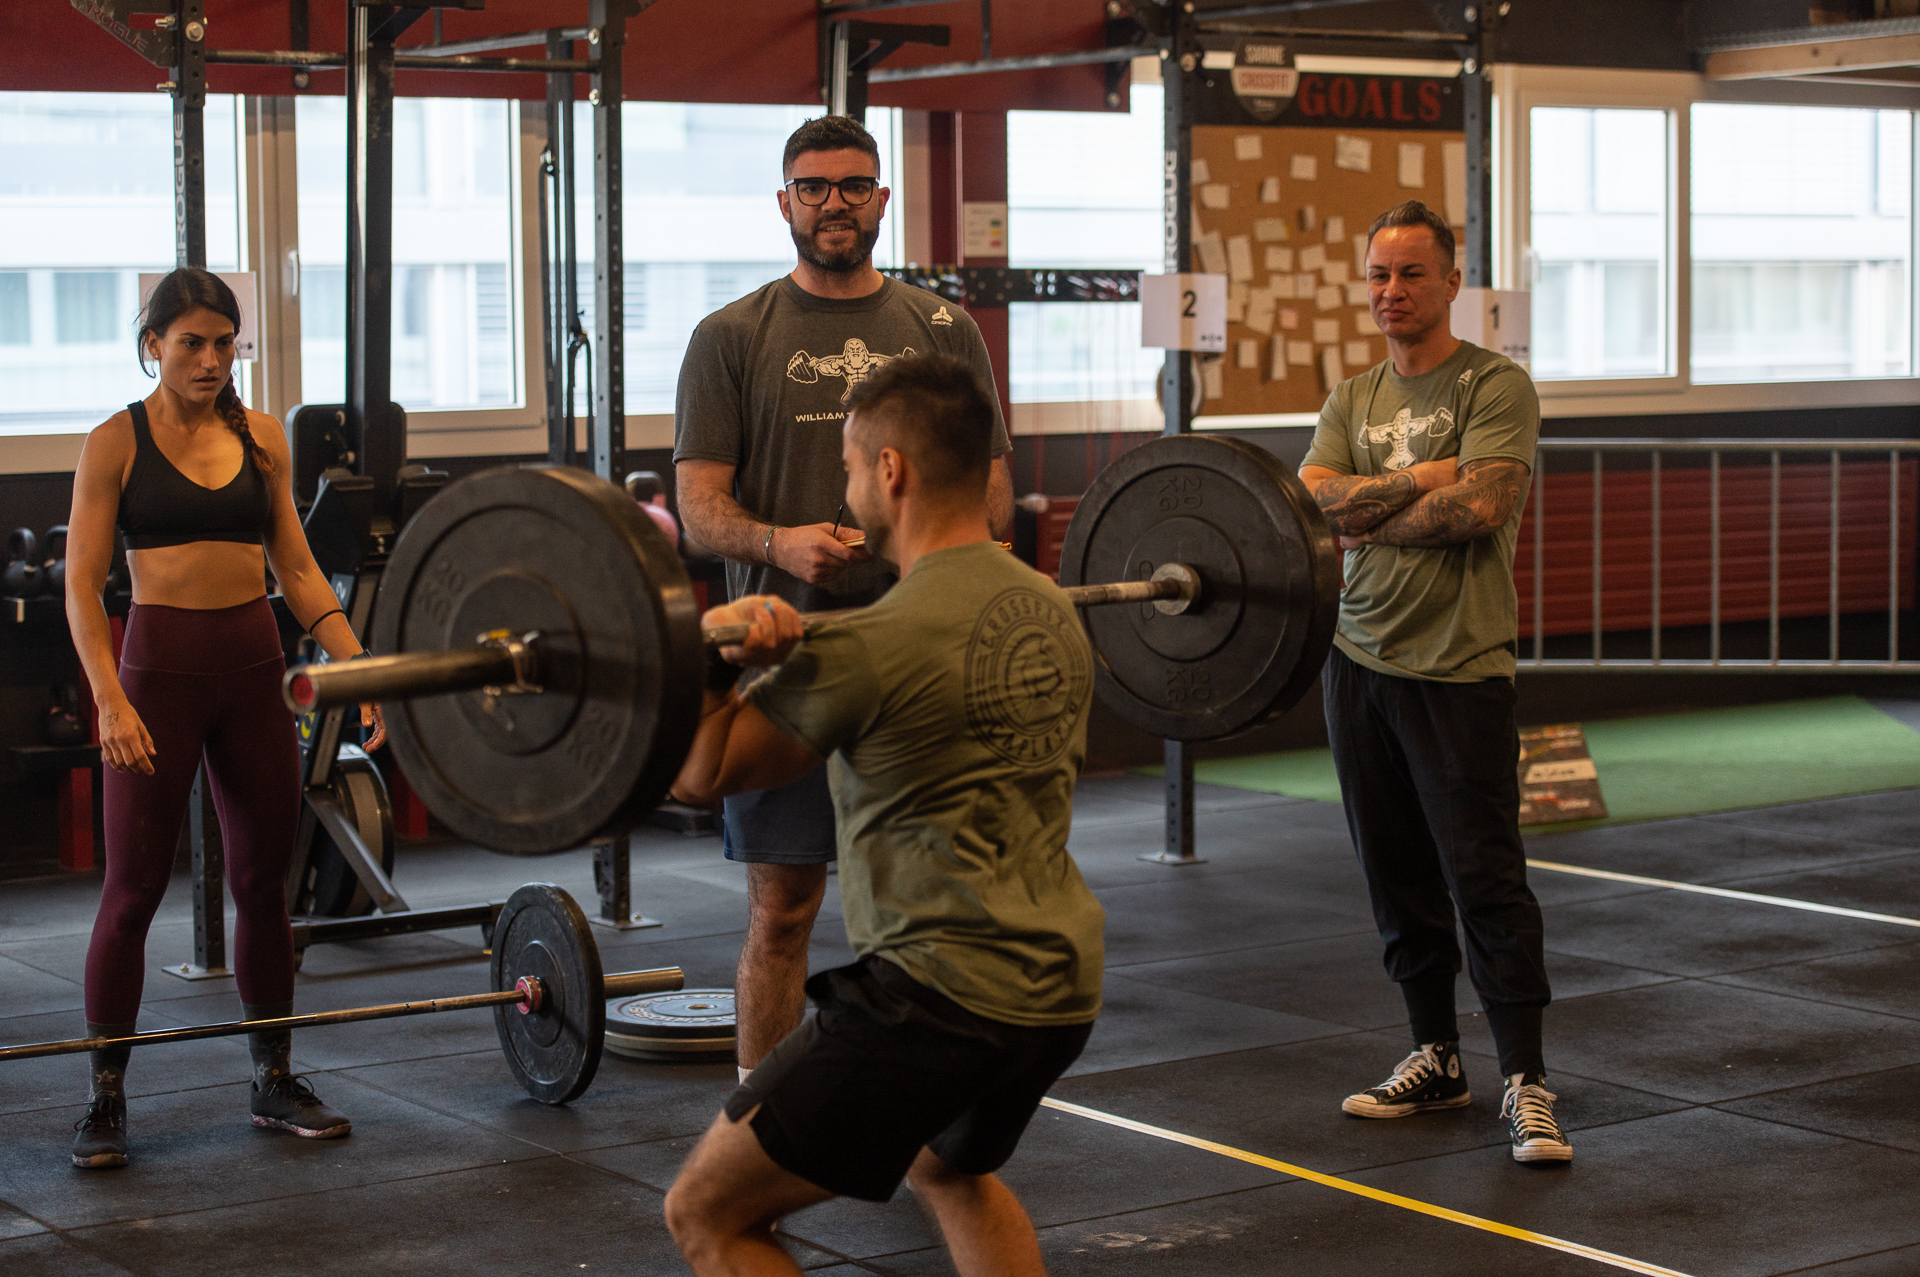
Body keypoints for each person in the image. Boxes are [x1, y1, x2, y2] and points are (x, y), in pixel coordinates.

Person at [661, 355, 1100, 1277]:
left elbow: (703, 775)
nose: (849, 484)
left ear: (891, 471)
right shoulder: (1050, 609)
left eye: (853, 466)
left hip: (936, 1001)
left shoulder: (868, 643)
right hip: (1060, 985)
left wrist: (714, 654)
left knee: (706, 1212)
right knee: (946, 1172)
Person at [673, 114, 1015, 1081]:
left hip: (922, 661)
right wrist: (782, 543)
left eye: (853, 185)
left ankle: (922, 1121)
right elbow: (699, 508)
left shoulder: (942, 330)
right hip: (790, 662)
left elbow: (990, 493)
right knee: (783, 911)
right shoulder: (732, 336)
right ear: (785, 202)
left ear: (882, 199)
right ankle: (761, 1117)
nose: (835, 202)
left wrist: (913, 545)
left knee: (928, 911)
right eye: (814, 187)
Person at [63, 268, 385, 1169]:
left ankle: (273, 1074)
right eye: (189, 342)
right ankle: (105, 1096)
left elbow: (299, 567)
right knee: (130, 891)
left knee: (262, 884)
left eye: (222, 343)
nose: (208, 359)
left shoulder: (264, 437)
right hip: (155, 679)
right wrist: (109, 698)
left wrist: (359, 666)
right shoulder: (113, 444)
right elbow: (82, 588)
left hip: (252, 673)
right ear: (152, 346)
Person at [1297, 201, 1570, 1165]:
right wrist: (1425, 479)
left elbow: (1482, 507)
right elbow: (1314, 501)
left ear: (1453, 282)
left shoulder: (1497, 385)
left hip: (1459, 668)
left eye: (1411, 274)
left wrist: (1373, 507)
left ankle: (1527, 1080)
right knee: (1396, 876)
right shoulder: (1352, 394)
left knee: (1485, 877)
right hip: (1358, 661)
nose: (1391, 292)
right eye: (1377, 274)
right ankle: (1436, 1056)